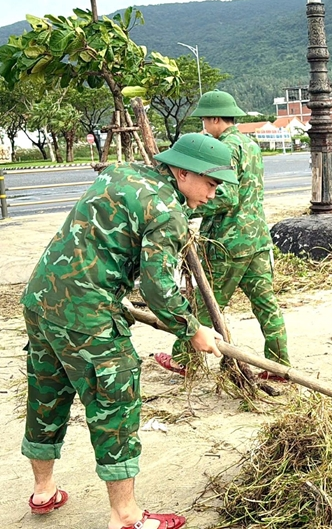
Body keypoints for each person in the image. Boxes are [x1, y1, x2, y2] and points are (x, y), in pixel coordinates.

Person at [20, 133, 236, 529]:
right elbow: (157, 287)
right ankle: (126, 516)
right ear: (183, 171)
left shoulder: (120, 171)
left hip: (42, 297)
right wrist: (192, 330)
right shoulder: (167, 210)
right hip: (88, 315)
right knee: (115, 405)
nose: (212, 194)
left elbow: (102, 239)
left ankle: (43, 491)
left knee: (46, 393)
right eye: (211, 182)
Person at [158, 90, 290, 380]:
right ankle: (280, 364)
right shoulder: (251, 145)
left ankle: (183, 359)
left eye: (205, 120)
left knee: (207, 303)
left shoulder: (222, 149)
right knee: (266, 305)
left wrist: (184, 210)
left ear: (215, 118)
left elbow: (226, 197)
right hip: (256, 237)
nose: (205, 126)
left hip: (227, 241)